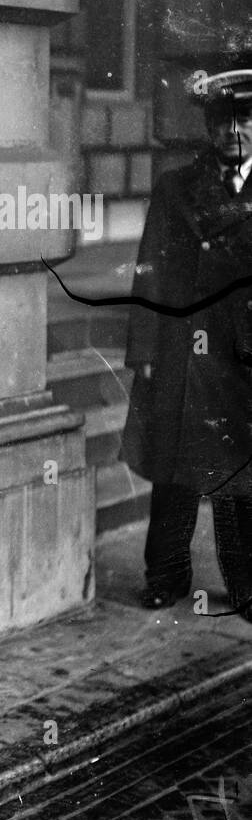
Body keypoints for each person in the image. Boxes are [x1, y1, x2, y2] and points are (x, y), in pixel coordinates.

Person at [122, 62, 252, 621]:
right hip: (181, 346)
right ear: (208, 126)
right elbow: (150, 272)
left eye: (245, 120)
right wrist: (145, 352)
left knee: (239, 480)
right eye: (223, 122)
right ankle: (166, 575)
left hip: (242, 355)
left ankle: (246, 586)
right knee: (173, 472)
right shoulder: (177, 186)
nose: (233, 133)